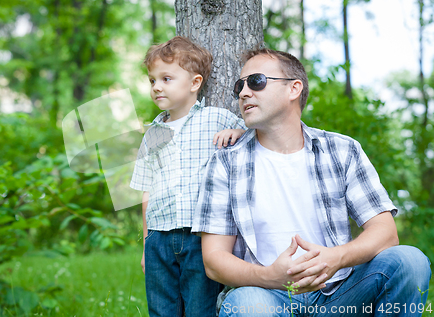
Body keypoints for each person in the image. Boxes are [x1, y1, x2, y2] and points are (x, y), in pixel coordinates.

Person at [191, 46, 432, 316]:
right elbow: (214, 260)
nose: (244, 92)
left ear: (293, 89)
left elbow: (386, 233)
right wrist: (270, 276)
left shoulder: (342, 150)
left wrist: (335, 258)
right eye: (240, 86)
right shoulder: (225, 163)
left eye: (256, 81)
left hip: (343, 295)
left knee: (409, 261)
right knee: (245, 305)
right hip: (268, 298)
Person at [130, 36, 246, 317]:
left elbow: (257, 138)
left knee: (200, 307)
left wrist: (238, 132)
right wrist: (146, 245)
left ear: (194, 83)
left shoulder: (216, 119)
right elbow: (146, 191)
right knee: (161, 309)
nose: (157, 86)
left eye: (166, 78)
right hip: (158, 238)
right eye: (152, 80)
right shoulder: (152, 134)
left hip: (201, 235)